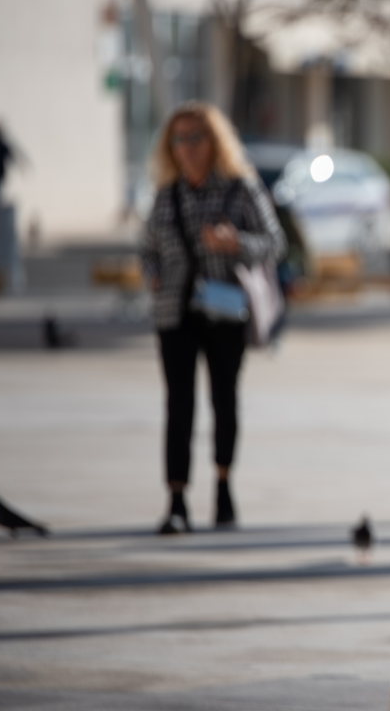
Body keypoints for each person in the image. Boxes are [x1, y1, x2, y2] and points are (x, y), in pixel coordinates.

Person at [140, 102, 286, 535]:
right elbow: (146, 247)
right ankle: (177, 499)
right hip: (174, 311)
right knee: (178, 404)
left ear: (214, 141)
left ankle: (223, 486)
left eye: (195, 137)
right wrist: (150, 274)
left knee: (224, 399)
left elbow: (275, 244)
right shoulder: (166, 194)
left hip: (224, 310)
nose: (186, 147)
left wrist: (233, 242)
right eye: (178, 139)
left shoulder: (240, 189)